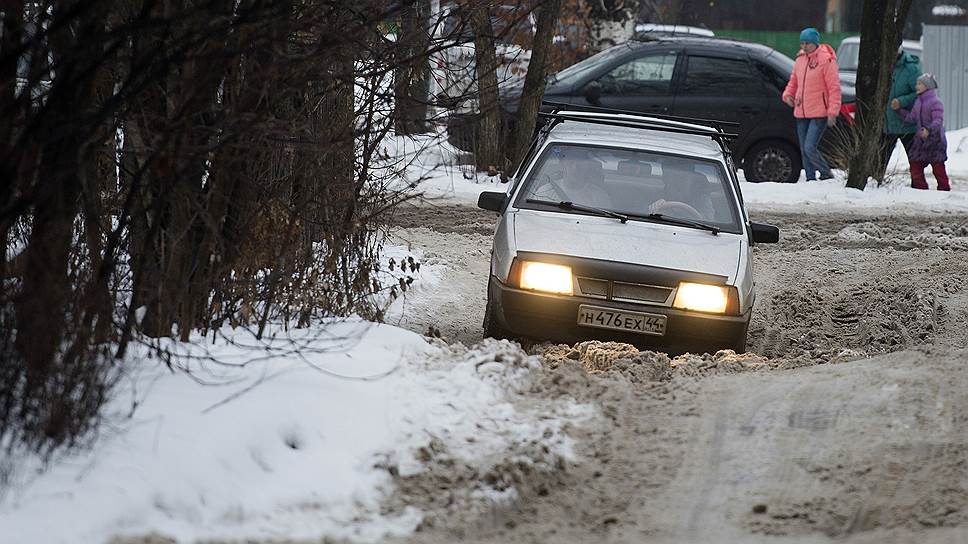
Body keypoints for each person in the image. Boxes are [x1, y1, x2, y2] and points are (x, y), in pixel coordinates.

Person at [782, 27, 842, 182]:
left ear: (815, 43)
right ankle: (810, 179)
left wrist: (832, 112)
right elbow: (794, 81)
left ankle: (825, 172)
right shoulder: (800, 59)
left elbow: (834, 87)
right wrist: (788, 95)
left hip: (819, 111)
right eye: (802, 43)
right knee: (804, 149)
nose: (804, 46)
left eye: (807, 43)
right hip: (801, 110)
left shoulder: (826, 60)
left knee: (809, 147)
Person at [892, 73, 949, 191]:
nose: (916, 86)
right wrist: (899, 111)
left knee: (938, 168)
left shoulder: (935, 102)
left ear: (927, 86)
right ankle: (920, 189)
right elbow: (911, 118)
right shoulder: (918, 102)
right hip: (920, 141)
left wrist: (928, 129)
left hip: (935, 141)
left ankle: (944, 190)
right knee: (915, 165)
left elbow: (938, 121)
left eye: (919, 84)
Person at [531, 146, 614, 207]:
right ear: (562, 165)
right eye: (571, 163)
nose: (575, 168)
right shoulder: (544, 192)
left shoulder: (599, 197)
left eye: (580, 164)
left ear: (587, 167)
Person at [881, 45, 921, 170]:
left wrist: (902, 101)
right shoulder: (883, 66)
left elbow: (920, 93)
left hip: (907, 124)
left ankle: (919, 187)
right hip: (887, 124)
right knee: (880, 161)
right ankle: (875, 184)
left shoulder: (911, 69)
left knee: (915, 162)